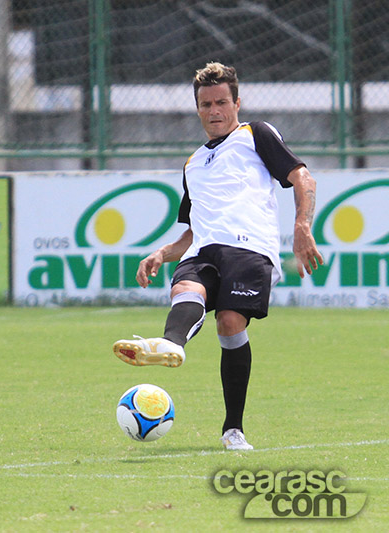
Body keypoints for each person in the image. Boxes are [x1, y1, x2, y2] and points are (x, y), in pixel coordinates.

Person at [112, 62, 323, 451]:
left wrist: (302, 227)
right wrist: (163, 251)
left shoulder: (254, 135)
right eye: (206, 104)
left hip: (249, 247)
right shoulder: (192, 164)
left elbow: (302, 177)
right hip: (202, 248)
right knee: (187, 287)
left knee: (229, 322)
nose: (214, 111)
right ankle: (170, 344)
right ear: (197, 109)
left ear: (236, 103)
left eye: (221, 102)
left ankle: (233, 430)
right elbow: (194, 226)